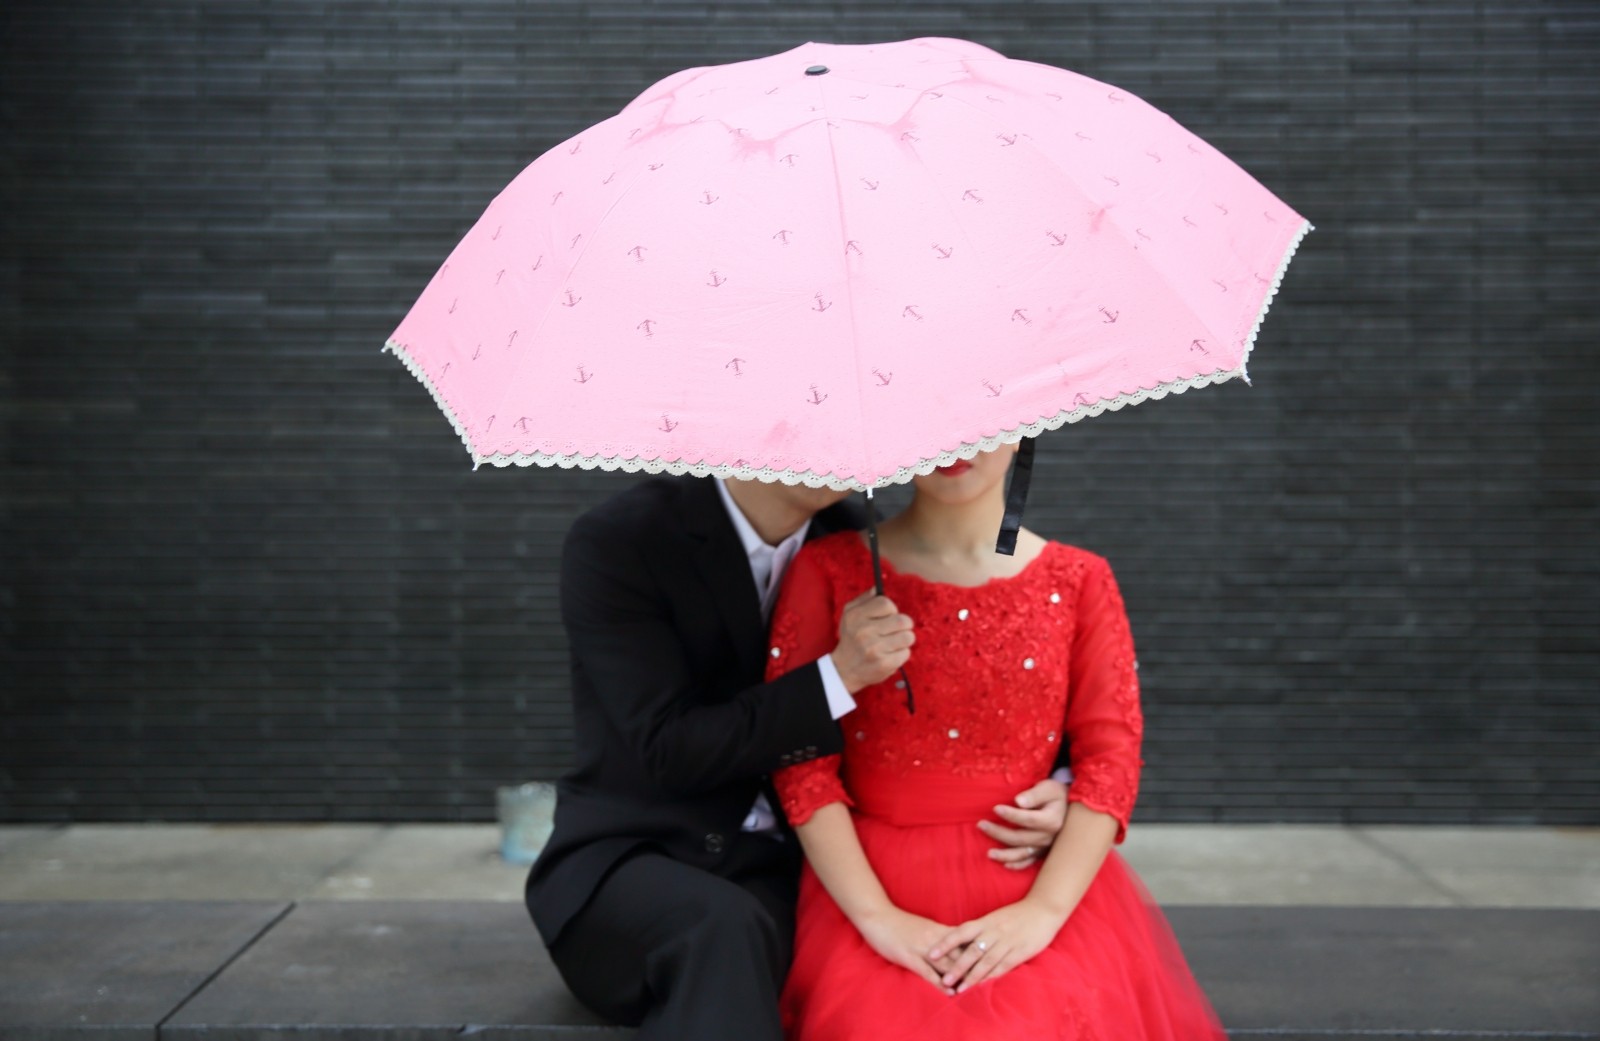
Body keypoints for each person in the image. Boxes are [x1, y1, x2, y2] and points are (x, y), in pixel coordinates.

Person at [524, 473, 1072, 1041]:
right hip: (635, 858)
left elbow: (978, 693)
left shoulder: (857, 540)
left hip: (785, 867)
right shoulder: (623, 540)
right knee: (722, 928)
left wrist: (1061, 783)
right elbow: (667, 748)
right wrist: (838, 676)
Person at [766, 444, 1228, 1040]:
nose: (957, 445)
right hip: (867, 883)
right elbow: (798, 758)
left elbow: (1110, 762)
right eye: (939, 421)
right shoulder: (829, 569)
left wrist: (1043, 913)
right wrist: (878, 919)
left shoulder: (1081, 579)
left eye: (982, 422)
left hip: (1038, 879)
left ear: (1022, 430)